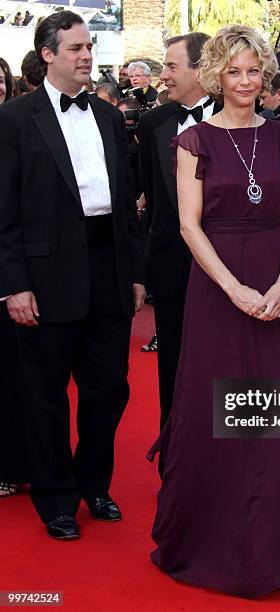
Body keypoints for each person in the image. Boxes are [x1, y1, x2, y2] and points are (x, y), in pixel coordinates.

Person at [147, 24, 280, 598]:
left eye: (255, 71)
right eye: (235, 71)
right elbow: (189, 226)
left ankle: (271, 553)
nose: (246, 81)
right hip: (217, 287)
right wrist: (235, 289)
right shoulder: (194, 141)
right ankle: (208, 544)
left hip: (275, 284)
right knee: (213, 409)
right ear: (217, 74)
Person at [0, 11, 145, 539]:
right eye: (76, 48)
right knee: (46, 395)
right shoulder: (15, 119)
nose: (87, 56)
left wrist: (133, 272)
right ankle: (56, 496)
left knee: (108, 390)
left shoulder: (108, 117)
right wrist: (13, 283)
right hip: (44, 276)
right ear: (48, 54)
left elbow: (126, 204)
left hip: (108, 268)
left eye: (89, 47)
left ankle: (94, 483)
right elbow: (4, 209)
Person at [138, 33, 222, 475]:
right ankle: (174, 465)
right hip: (172, 266)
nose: (163, 75)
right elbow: (154, 200)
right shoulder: (154, 124)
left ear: (200, 69)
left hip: (232, 267)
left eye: (170, 67)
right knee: (172, 369)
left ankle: (230, 465)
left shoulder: (243, 119)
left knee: (227, 368)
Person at [0, 57, 28, 498]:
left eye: (0, 80)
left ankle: (11, 462)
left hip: (9, 262)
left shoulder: (17, 128)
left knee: (11, 371)